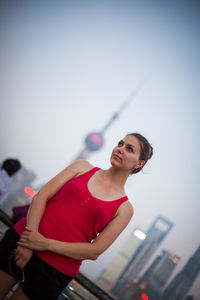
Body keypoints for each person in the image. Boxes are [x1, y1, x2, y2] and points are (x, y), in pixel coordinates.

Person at [0, 133, 153, 300]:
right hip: (21, 239)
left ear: (139, 163)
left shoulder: (125, 209)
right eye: (120, 143)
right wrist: (29, 242)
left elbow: (95, 251)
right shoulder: (81, 167)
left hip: (54, 270)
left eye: (129, 149)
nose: (120, 149)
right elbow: (41, 196)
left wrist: (44, 244)